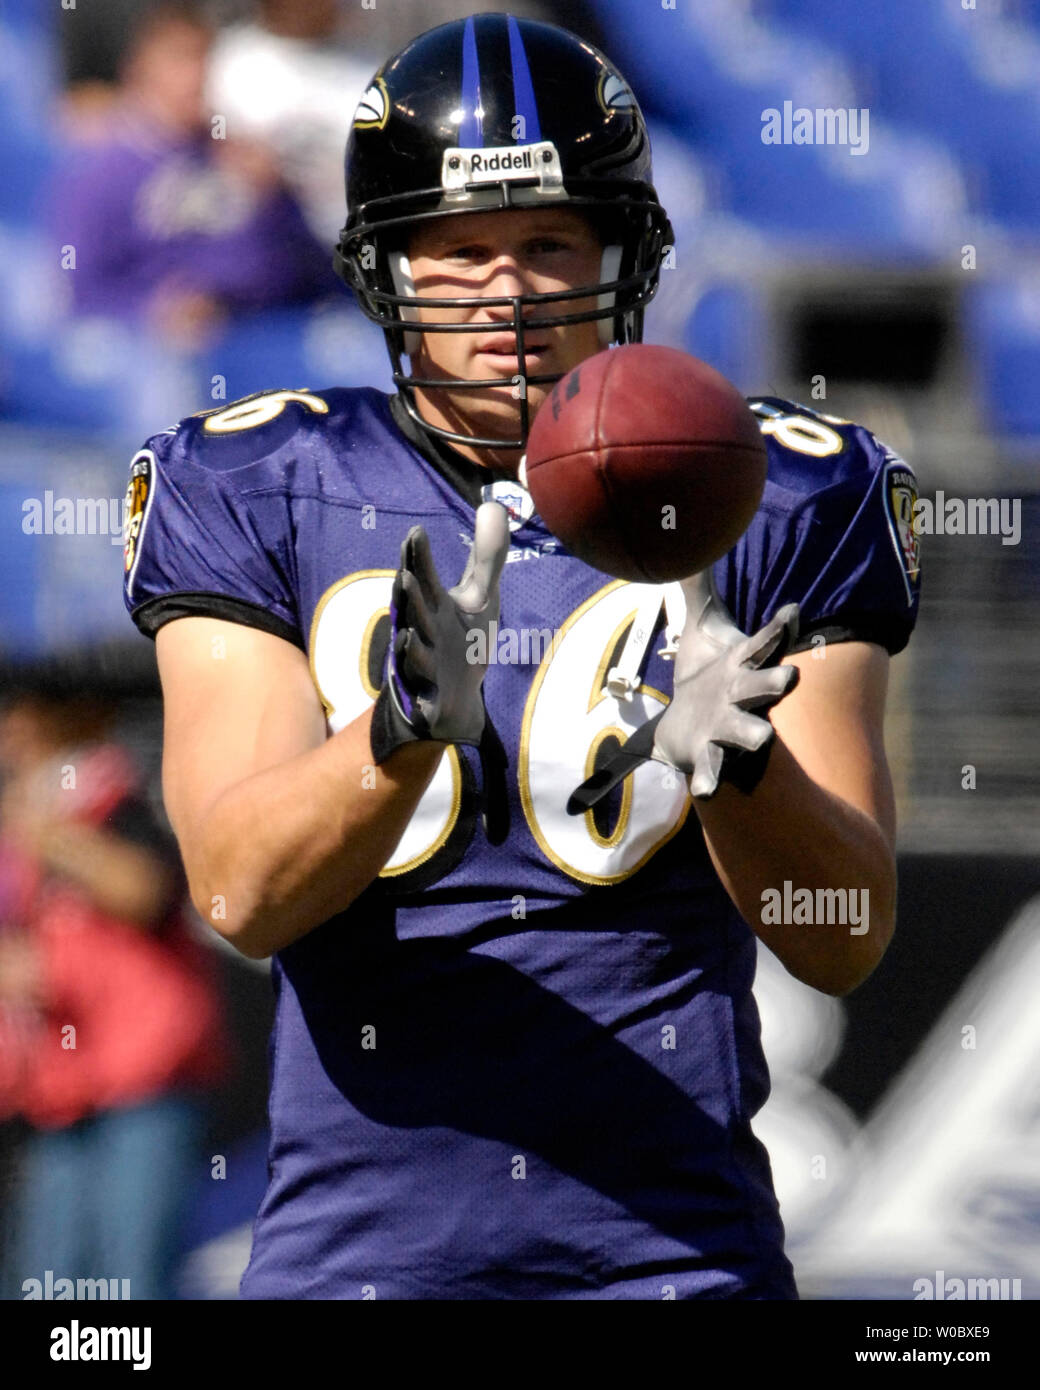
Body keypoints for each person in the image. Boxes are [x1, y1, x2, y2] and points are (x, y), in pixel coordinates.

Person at [122, 14, 920, 1300]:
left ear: (620, 249)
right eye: (460, 248)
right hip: (357, 1265)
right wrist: (391, 741)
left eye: (547, 242)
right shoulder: (262, 482)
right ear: (388, 267)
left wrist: (746, 769)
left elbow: (842, 936)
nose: (507, 291)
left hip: (671, 1262)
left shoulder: (771, 491)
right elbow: (237, 893)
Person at [0, 676, 228, 1300]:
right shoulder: (19, 834)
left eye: (24, 713)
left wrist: (51, 835)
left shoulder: (120, 796)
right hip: (57, 1092)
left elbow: (145, 891)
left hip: (144, 1086)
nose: (11, 731)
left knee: (128, 1288)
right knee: (45, 1285)